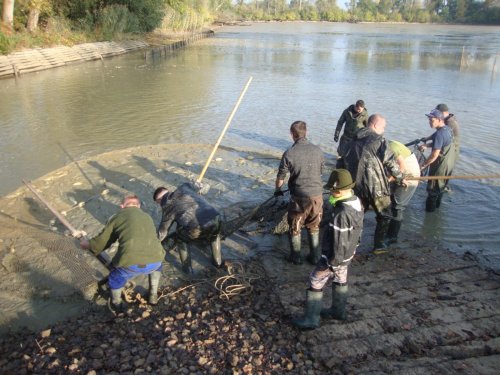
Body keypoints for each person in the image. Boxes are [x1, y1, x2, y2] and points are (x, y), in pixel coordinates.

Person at [292, 169, 364, 329]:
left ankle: (311, 319)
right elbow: (356, 233)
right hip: (348, 254)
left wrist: (331, 263)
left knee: (315, 280)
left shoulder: (341, 213)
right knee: (340, 278)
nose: (330, 192)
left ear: (337, 190)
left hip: (334, 257)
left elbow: (339, 241)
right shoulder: (356, 201)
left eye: (332, 190)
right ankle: (338, 311)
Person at [80, 195, 165, 311]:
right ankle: (153, 295)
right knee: (157, 265)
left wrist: (87, 244)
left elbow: (101, 243)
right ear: (139, 206)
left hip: (131, 265)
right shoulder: (147, 217)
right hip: (156, 261)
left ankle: (117, 303)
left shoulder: (117, 217)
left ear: (122, 206)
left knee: (115, 277)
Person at [342, 114, 404, 252]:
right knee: (385, 215)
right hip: (376, 186)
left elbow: (343, 157)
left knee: (358, 214)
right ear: (375, 125)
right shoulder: (379, 140)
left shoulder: (352, 138)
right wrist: (400, 178)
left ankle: (354, 243)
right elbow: (391, 163)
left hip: (356, 185)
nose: (384, 130)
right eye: (383, 127)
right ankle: (379, 245)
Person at [275, 120, 325, 265]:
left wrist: (278, 190)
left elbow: (281, 177)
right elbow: (321, 171)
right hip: (317, 196)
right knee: (314, 225)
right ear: (306, 132)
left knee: (295, 226)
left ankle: (296, 257)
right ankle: (315, 256)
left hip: (299, 198)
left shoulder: (289, 153)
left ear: (292, 135)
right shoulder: (318, 150)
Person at [153, 182, 223, 273]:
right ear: (168, 191)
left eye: (158, 203)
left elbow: (163, 232)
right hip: (216, 218)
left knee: (181, 238)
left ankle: (187, 270)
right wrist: (199, 185)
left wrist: (154, 245)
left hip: (196, 227)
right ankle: (218, 262)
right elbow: (205, 187)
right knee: (214, 235)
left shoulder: (167, 206)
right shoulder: (185, 186)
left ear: (159, 201)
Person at [419, 109, 457, 212]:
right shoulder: (448, 129)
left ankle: (429, 217)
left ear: (439, 120)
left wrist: (422, 166)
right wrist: (427, 144)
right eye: (429, 119)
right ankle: (437, 209)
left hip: (440, 167)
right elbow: (440, 142)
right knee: (440, 189)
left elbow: (434, 155)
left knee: (432, 192)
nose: (429, 122)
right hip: (448, 166)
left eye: (432, 120)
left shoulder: (440, 134)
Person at [386, 140, 420, 244]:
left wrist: (387, 180)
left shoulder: (391, 148)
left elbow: (402, 167)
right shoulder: (386, 144)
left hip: (409, 175)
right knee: (390, 199)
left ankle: (392, 237)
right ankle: (388, 227)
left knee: (398, 206)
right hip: (400, 173)